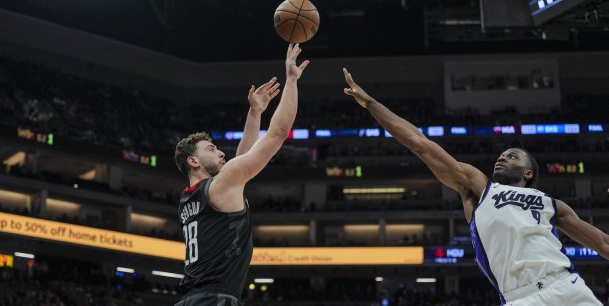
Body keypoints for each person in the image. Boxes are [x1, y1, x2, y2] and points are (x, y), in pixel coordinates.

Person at [341, 68, 609, 306]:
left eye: (512, 155)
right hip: (522, 297)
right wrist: (371, 104)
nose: (502, 157)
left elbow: (601, 241)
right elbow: (420, 144)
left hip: (566, 286)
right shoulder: (480, 189)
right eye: (501, 155)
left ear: (529, 172)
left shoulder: (552, 204)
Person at [173, 44, 309, 306]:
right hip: (214, 299)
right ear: (193, 161)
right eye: (211, 150)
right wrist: (291, 80)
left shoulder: (188, 199)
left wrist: (255, 112)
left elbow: (240, 163)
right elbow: (278, 133)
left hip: (193, 299)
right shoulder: (218, 188)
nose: (221, 154)